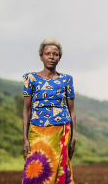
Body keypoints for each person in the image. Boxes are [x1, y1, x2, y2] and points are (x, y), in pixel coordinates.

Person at [22, 38, 76, 184]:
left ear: (59, 57)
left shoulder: (67, 80)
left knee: (59, 168)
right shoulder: (31, 78)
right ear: (41, 56)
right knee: (35, 169)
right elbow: (26, 110)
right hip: (37, 131)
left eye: (55, 54)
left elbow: (72, 111)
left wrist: (74, 136)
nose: (51, 57)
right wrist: (25, 138)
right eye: (47, 54)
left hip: (61, 131)